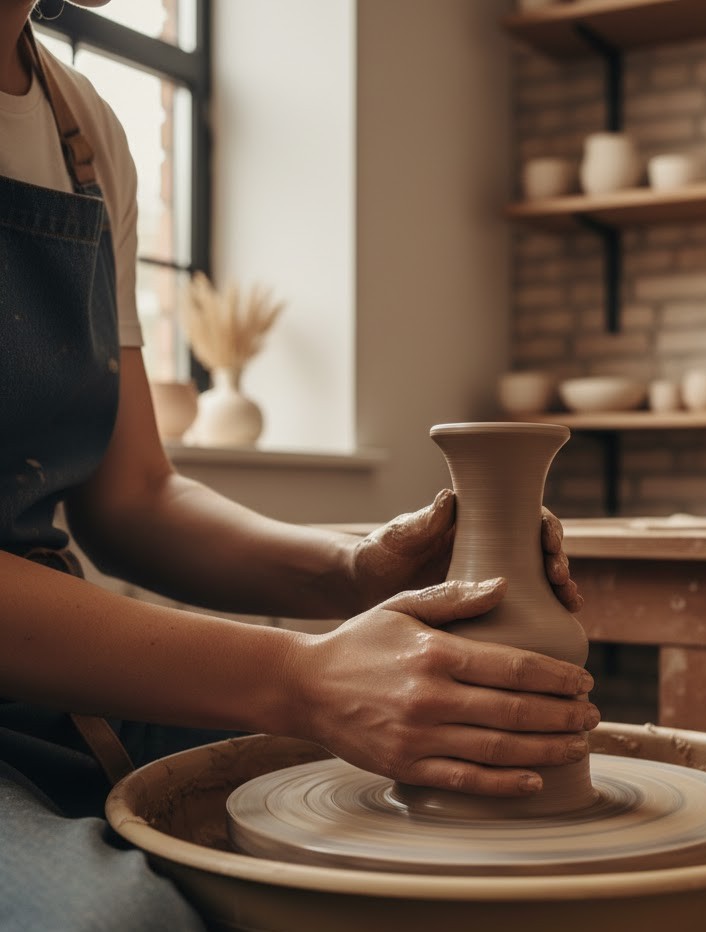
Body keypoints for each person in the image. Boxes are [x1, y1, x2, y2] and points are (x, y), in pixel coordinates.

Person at [0, 2, 593, 928]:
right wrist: (301, 678)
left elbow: (135, 498)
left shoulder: (83, 132)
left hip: (59, 673)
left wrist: (354, 573)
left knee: (430, 800)